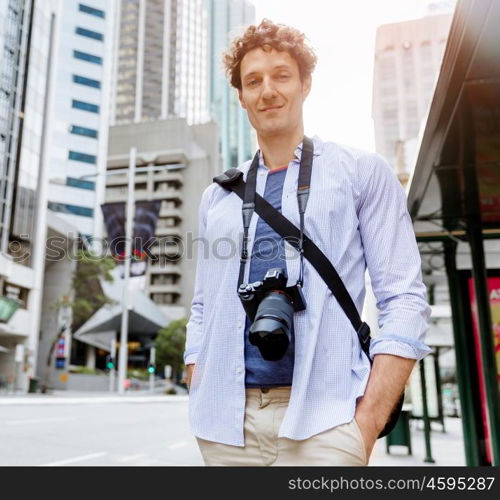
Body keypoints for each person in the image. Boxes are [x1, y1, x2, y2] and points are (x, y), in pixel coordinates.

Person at [184, 18, 431, 466]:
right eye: (253, 81)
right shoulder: (217, 196)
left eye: (281, 75)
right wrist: (196, 370)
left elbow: (405, 298)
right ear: (240, 96)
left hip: (328, 419)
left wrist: (369, 420)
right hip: (224, 425)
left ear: (305, 83)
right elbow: (203, 304)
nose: (267, 91)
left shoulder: (361, 172)